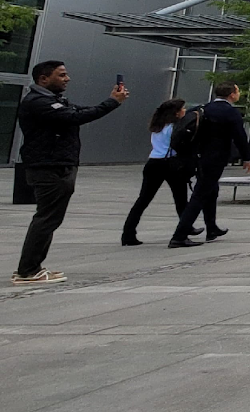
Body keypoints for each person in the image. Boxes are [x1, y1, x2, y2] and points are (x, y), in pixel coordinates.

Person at [12, 61, 127, 285]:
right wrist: (112, 102)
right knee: (46, 219)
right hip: (49, 167)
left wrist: (111, 101)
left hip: (57, 164)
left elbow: (78, 110)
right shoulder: (38, 102)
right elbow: (74, 117)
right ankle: (27, 270)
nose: (67, 79)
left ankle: (33, 267)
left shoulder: (53, 100)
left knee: (50, 218)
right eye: (62, 75)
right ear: (43, 79)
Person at [169, 83, 250, 248]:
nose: (239, 93)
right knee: (200, 195)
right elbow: (240, 137)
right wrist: (247, 158)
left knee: (211, 191)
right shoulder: (230, 112)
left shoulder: (204, 108)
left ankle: (212, 228)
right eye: (237, 91)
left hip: (199, 157)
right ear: (232, 94)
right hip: (215, 159)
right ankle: (179, 236)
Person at [123, 98, 201, 246]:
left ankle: (128, 233)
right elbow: (180, 145)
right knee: (180, 199)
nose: (185, 111)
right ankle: (184, 230)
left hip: (153, 162)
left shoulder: (158, 125)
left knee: (143, 199)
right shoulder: (175, 128)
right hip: (170, 163)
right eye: (183, 109)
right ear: (177, 113)